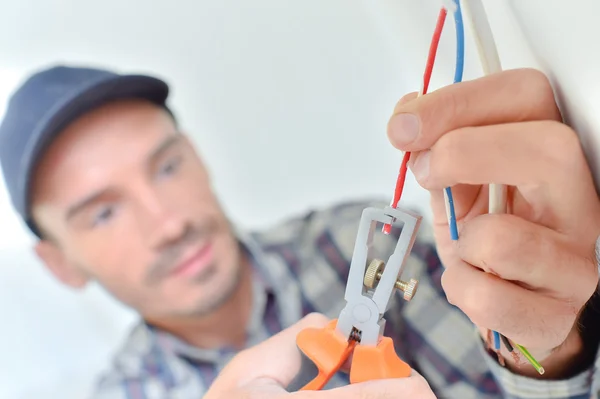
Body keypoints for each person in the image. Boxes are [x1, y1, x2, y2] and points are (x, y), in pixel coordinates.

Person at [1, 63, 599, 399]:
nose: (169, 223)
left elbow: (526, 375)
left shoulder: (364, 247)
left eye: (166, 166)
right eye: (103, 212)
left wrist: (544, 346)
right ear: (61, 265)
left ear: (199, 156)